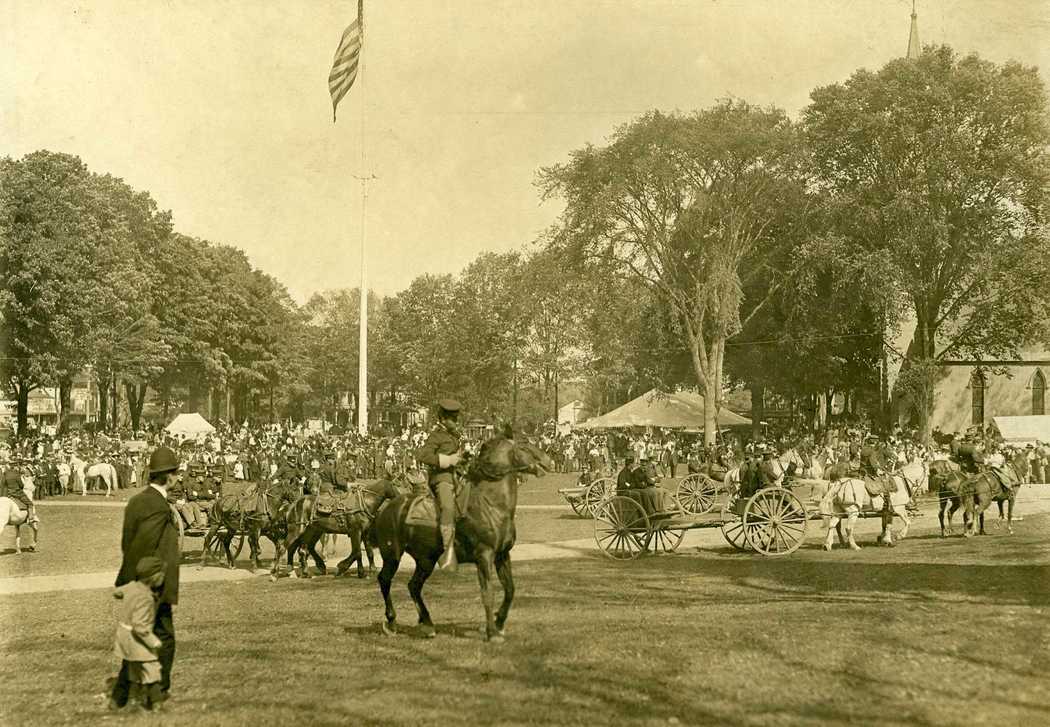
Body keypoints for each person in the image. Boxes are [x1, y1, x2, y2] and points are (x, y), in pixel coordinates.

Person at [114, 446, 181, 701]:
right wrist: (146, 583)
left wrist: (128, 581)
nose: (177, 477)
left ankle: (123, 693)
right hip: (154, 584)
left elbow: (126, 543)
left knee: (137, 635)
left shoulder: (136, 501)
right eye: (175, 473)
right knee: (164, 637)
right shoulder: (159, 507)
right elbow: (143, 544)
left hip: (140, 581)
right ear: (170, 476)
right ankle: (158, 691)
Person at [109, 555, 167, 712]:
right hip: (136, 639)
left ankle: (127, 702)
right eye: (162, 575)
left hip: (123, 638)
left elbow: (117, 593)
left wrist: (125, 595)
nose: (164, 578)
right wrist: (153, 641)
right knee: (151, 669)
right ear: (154, 577)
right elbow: (139, 626)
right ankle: (157, 704)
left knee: (133, 670)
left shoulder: (131, 587)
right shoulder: (146, 598)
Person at [415, 399, 465, 571]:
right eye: (453, 419)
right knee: (448, 508)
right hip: (441, 478)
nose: (455, 422)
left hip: (456, 477)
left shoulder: (453, 436)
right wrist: (447, 460)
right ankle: (447, 552)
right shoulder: (436, 436)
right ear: (443, 419)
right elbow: (422, 455)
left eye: (456, 418)